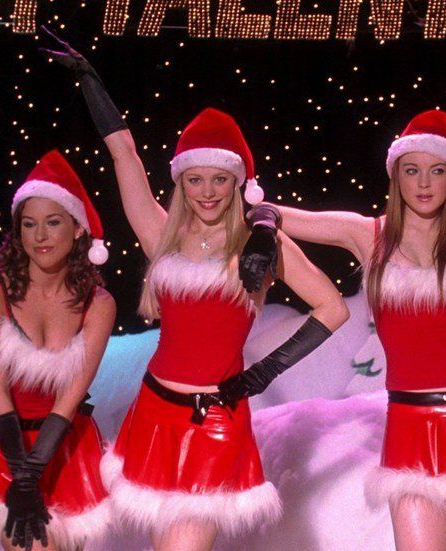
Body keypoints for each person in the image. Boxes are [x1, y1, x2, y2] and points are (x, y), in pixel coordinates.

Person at [41, 30, 349, 551]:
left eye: (219, 179)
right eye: (195, 179)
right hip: (153, 412)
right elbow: (124, 155)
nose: (207, 192)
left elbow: (333, 307)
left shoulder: (261, 244)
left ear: (238, 182)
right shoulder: (162, 235)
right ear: (180, 182)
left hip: (214, 423)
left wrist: (263, 373)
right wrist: (90, 80)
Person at [240, 110, 446, 550]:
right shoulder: (368, 234)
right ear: (396, 176)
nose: (423, 182)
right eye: (412, 170)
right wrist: (264, 229)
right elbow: (268, 212)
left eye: (436, 171)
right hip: (410, 424)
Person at [0, 150, 115, 550]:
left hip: (64, 442)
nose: (40, 236)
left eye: (53, 222)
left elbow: (70, 398)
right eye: (29, 225)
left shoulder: (98, 303)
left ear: (78, 228)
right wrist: (22, 475)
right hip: (4, 443)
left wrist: (34, 472)